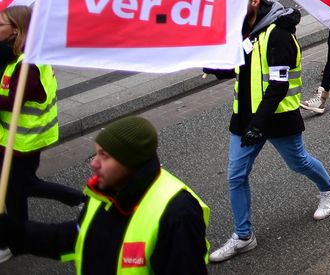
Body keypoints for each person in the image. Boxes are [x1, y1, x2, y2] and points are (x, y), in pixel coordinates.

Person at [209, 0, 330, 263]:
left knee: (298, 162)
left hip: (277, 117)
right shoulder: (243, 29)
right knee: (236, 176)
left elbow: (278, 86)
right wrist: (215, 67)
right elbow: (240, 64)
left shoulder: (279, 35)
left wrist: (258, 125)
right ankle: (243, 236)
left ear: (255, 1)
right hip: (245, 117)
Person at [0, 115, 208, 272]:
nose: (94, 163)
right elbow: (79, 237)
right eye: (96, 153)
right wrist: (12, 231)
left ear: (130, 161)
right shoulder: (105, 191)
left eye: (105, 156)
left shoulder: (178, 212)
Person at [0, 5, 87, 264]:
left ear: (16, 30)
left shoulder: (28, 65)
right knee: (15, 188)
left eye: (1, 24)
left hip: (26, 141)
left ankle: (13, 240)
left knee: (20, 186)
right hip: (12, 139)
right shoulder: (15, 55)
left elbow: (13, 101)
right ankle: (15, 238)